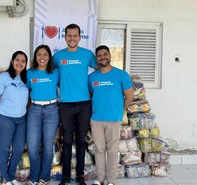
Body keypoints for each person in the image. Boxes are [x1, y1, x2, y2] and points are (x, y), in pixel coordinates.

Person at [53, 23, 97, 185]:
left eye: (75, 35)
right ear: (65, 37)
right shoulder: (58, 57)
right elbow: (51, 75)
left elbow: (101, 70)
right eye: (69, 35)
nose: (72, 38)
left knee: (80, 141)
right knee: (66, 141)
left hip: (84, 104)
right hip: (65, 105)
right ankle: (65, 177)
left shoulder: (87, 54)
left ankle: (79, 176)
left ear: (80, 37)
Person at [88, 45, 134, 185]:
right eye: (100, 55)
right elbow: (91, 95)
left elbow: (129, 96)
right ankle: (99, 179)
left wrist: (120, 111)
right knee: (99, 150)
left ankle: (111, 181)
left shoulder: (121, 75)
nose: (103, 57)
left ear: (110, 56)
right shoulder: (91, 77)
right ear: (97, 59)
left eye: (105, 54)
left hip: (114, 119)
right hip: (96, 119)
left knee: (112, 151)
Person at [0, 51, 29, 185]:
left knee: (18, 149)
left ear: (26, 64)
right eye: (17, 60)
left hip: (21, 119)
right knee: (4, 148)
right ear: (12, 61)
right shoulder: (4, 77)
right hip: (5, 118)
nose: (20, 63)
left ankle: (10, 176)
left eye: (23, 61)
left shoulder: (26, 78)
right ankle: (6, 179)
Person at [25, 45, 59, 185]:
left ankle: (43, 178)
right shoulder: (29, 73)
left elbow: (67, 85)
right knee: (32, 146)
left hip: (52, 110)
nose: (42, 57)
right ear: (35, 57)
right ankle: (34, 177)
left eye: (45, 54)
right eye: (39, 54)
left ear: (50, 57)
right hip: (34, 110)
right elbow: (24, 92)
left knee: (47, 145)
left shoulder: (56, 72)